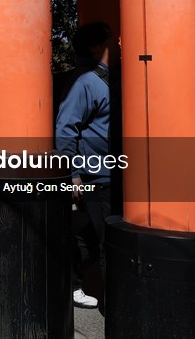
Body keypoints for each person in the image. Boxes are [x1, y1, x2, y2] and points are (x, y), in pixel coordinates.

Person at [55, 21, 114, 310]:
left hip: (106, 172)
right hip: (93, 175)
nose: (116, 45)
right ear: (95, 46)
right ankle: (112, 303)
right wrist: (74, 175)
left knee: (89, 236)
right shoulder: (85, 81)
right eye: (110, 40)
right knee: (101, 239)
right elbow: (66, 130)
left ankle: (74, 285)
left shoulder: (101, 79)